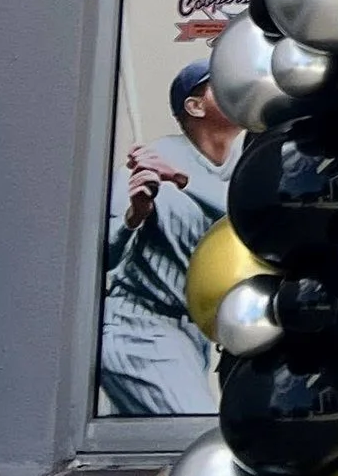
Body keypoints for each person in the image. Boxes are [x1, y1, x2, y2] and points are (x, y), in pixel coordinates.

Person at [95, 59, 240, 415]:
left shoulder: (241, 165)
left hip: (190, 335)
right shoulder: (158, 157)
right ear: (195, 106)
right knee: (196, 433)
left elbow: (250, 217)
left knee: (144, 445)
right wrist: (134, 216)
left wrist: (180, 179)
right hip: (137, 326)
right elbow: (104, 258)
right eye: (222, 83)